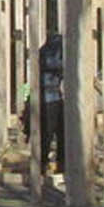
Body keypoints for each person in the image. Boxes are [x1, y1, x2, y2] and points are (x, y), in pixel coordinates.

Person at [39, 33, 65, 174]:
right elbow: (51, 65)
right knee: (49, 132)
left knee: (58, 132)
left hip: (53, 97)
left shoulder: (44, 50)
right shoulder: (51, 52)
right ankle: (45, 164)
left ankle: (56, 163)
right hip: (49, 98)